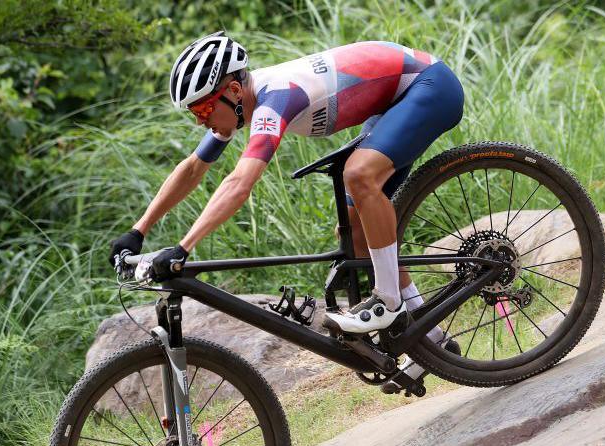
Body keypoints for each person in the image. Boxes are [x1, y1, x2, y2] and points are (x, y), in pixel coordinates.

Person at [109, 31, 464, 335]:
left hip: (429, 85)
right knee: (355, 230)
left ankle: (388, 301)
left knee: (359, 174)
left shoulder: (273, 97)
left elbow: (239, 184)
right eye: (194, 115)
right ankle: (430, 340)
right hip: (394, 102)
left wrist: (183, 248)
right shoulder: (240, 105)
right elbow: (192, 168)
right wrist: (138, 231)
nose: (201, 123)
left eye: (202, 111)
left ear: (233, 90)